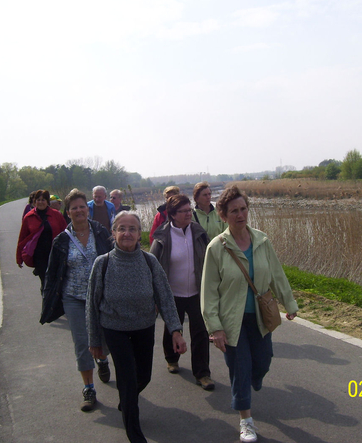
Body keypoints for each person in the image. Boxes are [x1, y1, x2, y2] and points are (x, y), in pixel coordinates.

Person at [201, 185, 298, 443]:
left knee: (263, 360)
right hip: (231, 321)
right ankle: (246, 420)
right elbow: (209, 292)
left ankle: (255, 379)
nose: (240, 215)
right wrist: (215, 327)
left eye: (243, 209)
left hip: (259, 318)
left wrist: (289, 304)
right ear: (223, 215)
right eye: (234, 211)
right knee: (240, 368)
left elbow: (276, 274)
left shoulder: (262, 241)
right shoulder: (216, 248)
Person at [87, 211, 187, 443]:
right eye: (121, 228)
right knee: (128, 379)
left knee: (144, 376)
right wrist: (94, 340)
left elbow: (165, 296)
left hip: (143, 326)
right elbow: (92, 306)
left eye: (132, 228)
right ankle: (135, 434)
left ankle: (127, 399)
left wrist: (176, 330)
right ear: (113, 233)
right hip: (114, 328)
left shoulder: (149, 261)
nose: (127, 233)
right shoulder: (102, 264)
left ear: (139, 233)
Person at [42, 189, 112, 412]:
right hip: (73, 298)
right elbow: (52, 273)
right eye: (74, 208)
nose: (79, 210)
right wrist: (49, 298)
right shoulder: (61, 240)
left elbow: (115, 260)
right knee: (82, 343)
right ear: (68, 212)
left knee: (103, 340)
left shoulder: (101, 233)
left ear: (87, 209)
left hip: (100, 298)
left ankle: (102, 359)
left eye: (83, 206)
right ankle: (89, 388)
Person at [150, 194, 214, 390]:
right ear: (172, 215)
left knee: (201, 333)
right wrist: (154, 296)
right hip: (172, 294)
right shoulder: (162, 236)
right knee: (172, 329)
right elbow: (152, 265)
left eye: (189, 210)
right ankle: (172, 358)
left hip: (197, 292)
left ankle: (202, 373)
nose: (189, 214)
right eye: (184, 211)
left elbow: (211, 257)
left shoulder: (198, 232)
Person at [17, 189, 66, 288]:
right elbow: (23, 238)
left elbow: (65, 232)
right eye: (38, 200)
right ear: (34, 202)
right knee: (45, 282)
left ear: (47, 202)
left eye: (43, 200)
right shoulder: (29, 217)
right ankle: (47, 302)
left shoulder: (56, 215)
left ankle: (54, 301)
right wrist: (19, 258)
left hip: (55, 254)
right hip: (39, 256)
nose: (40, 202)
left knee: (57, 281)